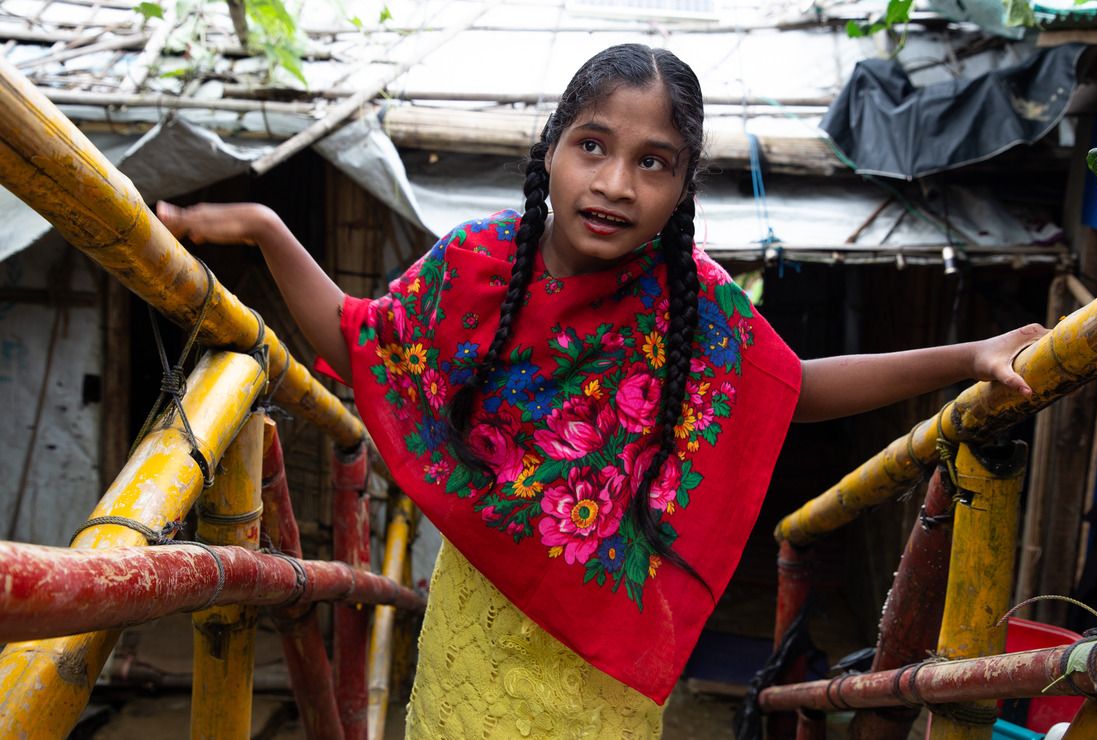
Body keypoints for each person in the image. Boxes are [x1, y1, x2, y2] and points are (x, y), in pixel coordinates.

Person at [157, 43, 1045, 739]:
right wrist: (271, 229)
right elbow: (363, 342)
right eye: (594, 146)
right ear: (551, 150)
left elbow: (791, 388)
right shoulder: (475, 263)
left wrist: (968, 356)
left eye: (654, 162)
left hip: (605, 664)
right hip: (478, 630)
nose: (616, 183)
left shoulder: (692, 301)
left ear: (683, 186)